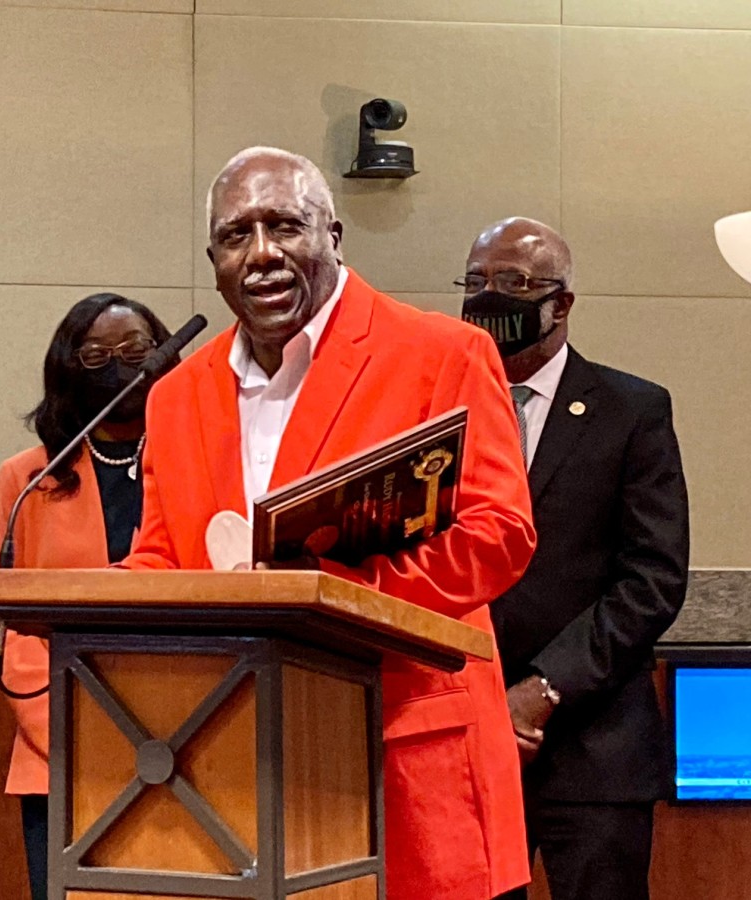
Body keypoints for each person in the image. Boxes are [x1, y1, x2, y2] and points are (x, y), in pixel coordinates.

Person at [122, 146, 535, 900]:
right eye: (236, 235)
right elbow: (160, 555)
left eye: (286, 225)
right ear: (213, 258)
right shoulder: (177, 394)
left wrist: (337, 593)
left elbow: (498, 534)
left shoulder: (443, 354)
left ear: (335, 235)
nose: (263, 254)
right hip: (224, 766)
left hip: (403, 754)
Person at [461, 217, 689, 900]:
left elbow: (653, 579)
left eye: (515, 283)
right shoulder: (437, 408)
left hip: (595, 751)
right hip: (466, 740)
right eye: (477, 283)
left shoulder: (632, 409)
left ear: (561, 303)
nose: (492, 297)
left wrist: (540, 692)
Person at [0, 292, 177, 900]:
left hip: (193, 730)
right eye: (95, 356)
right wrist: (68, 728)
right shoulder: (29, 476)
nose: (119, 365)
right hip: (61, 748)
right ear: (68, 368)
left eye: (135, 350)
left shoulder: (199, 460)